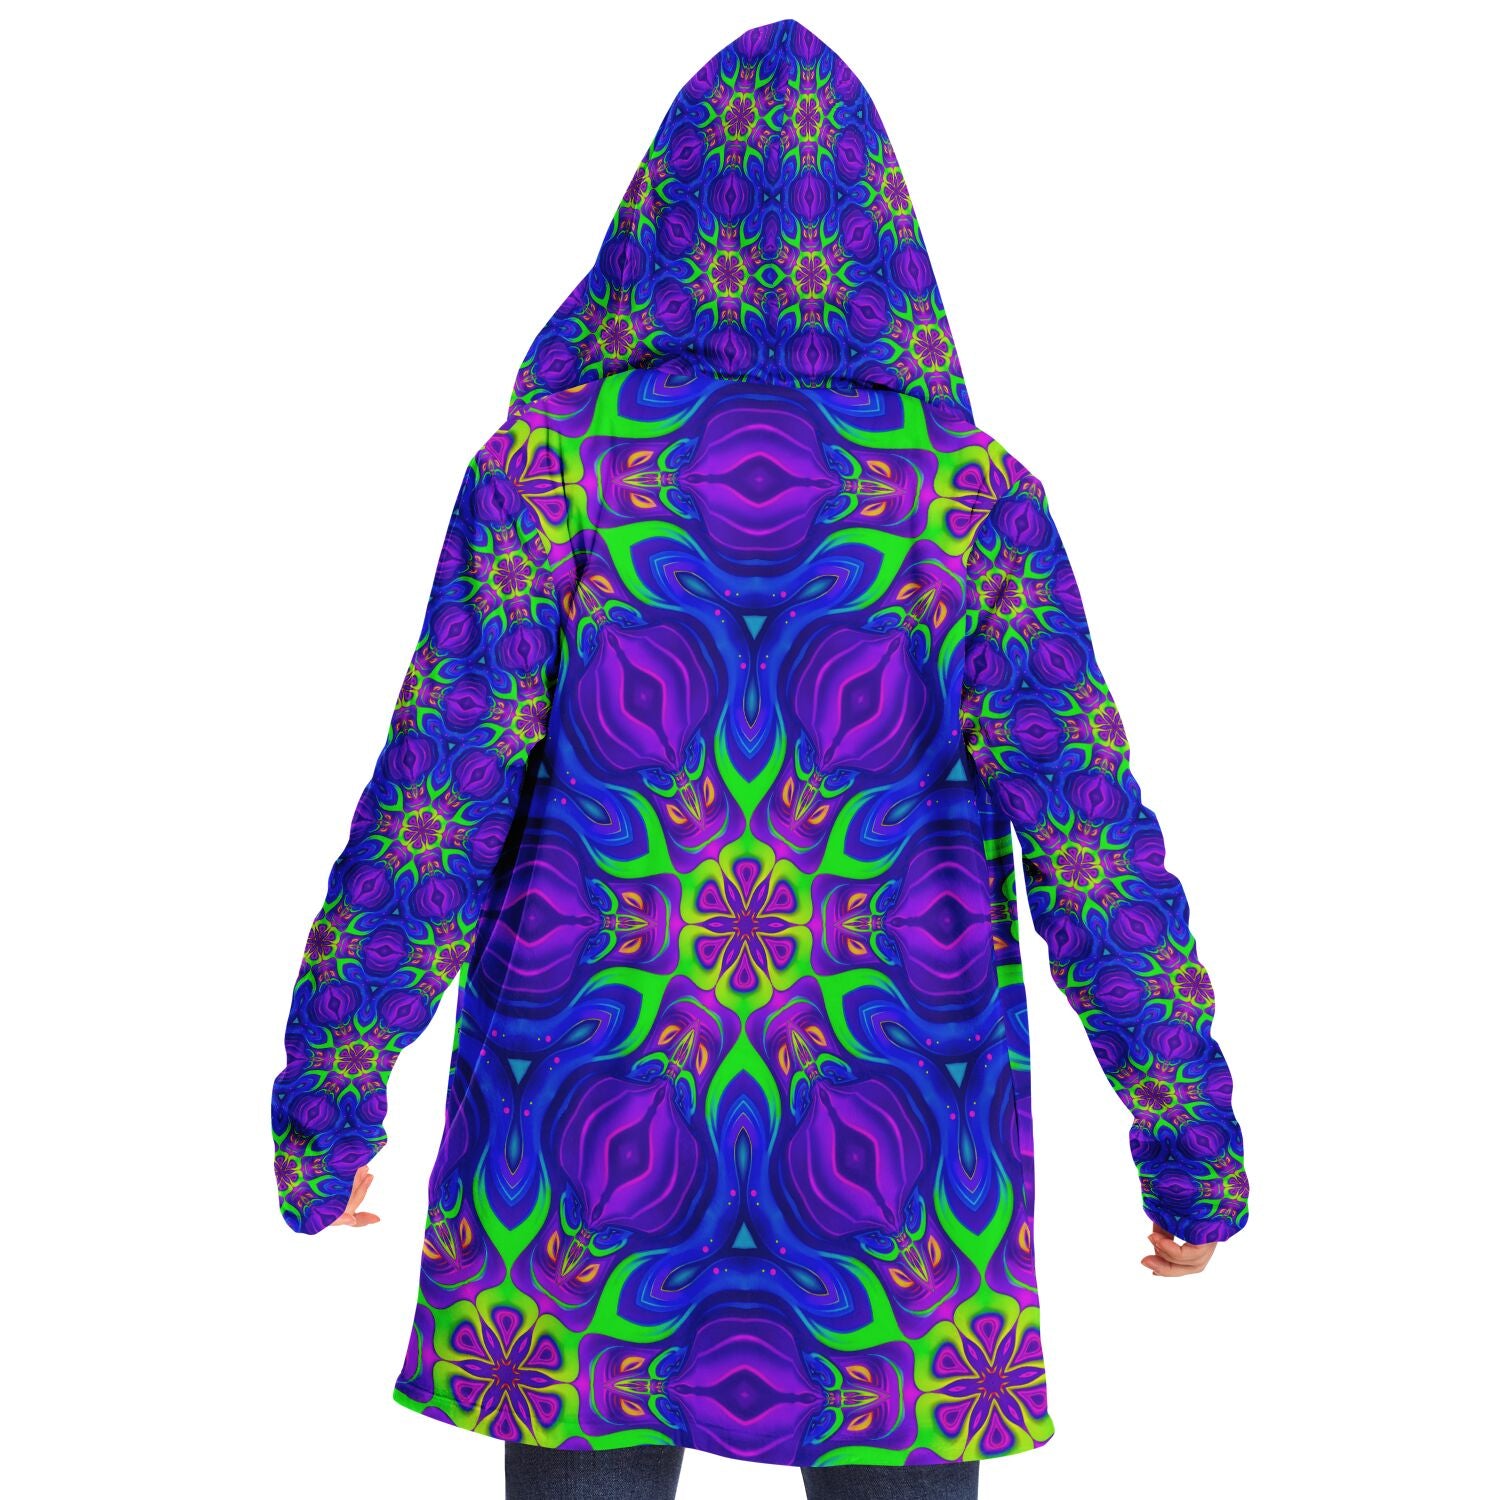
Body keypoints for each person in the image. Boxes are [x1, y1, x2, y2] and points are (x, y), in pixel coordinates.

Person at [271, 17, 1248, 1498]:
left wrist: (329, 1106)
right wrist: (1188, 1141)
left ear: (657, 217)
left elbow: (430, 814)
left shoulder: (551, 474)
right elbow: (1092, 845)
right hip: (895, 1167)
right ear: (883, 236)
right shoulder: (969, 505)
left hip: (585, 1146)